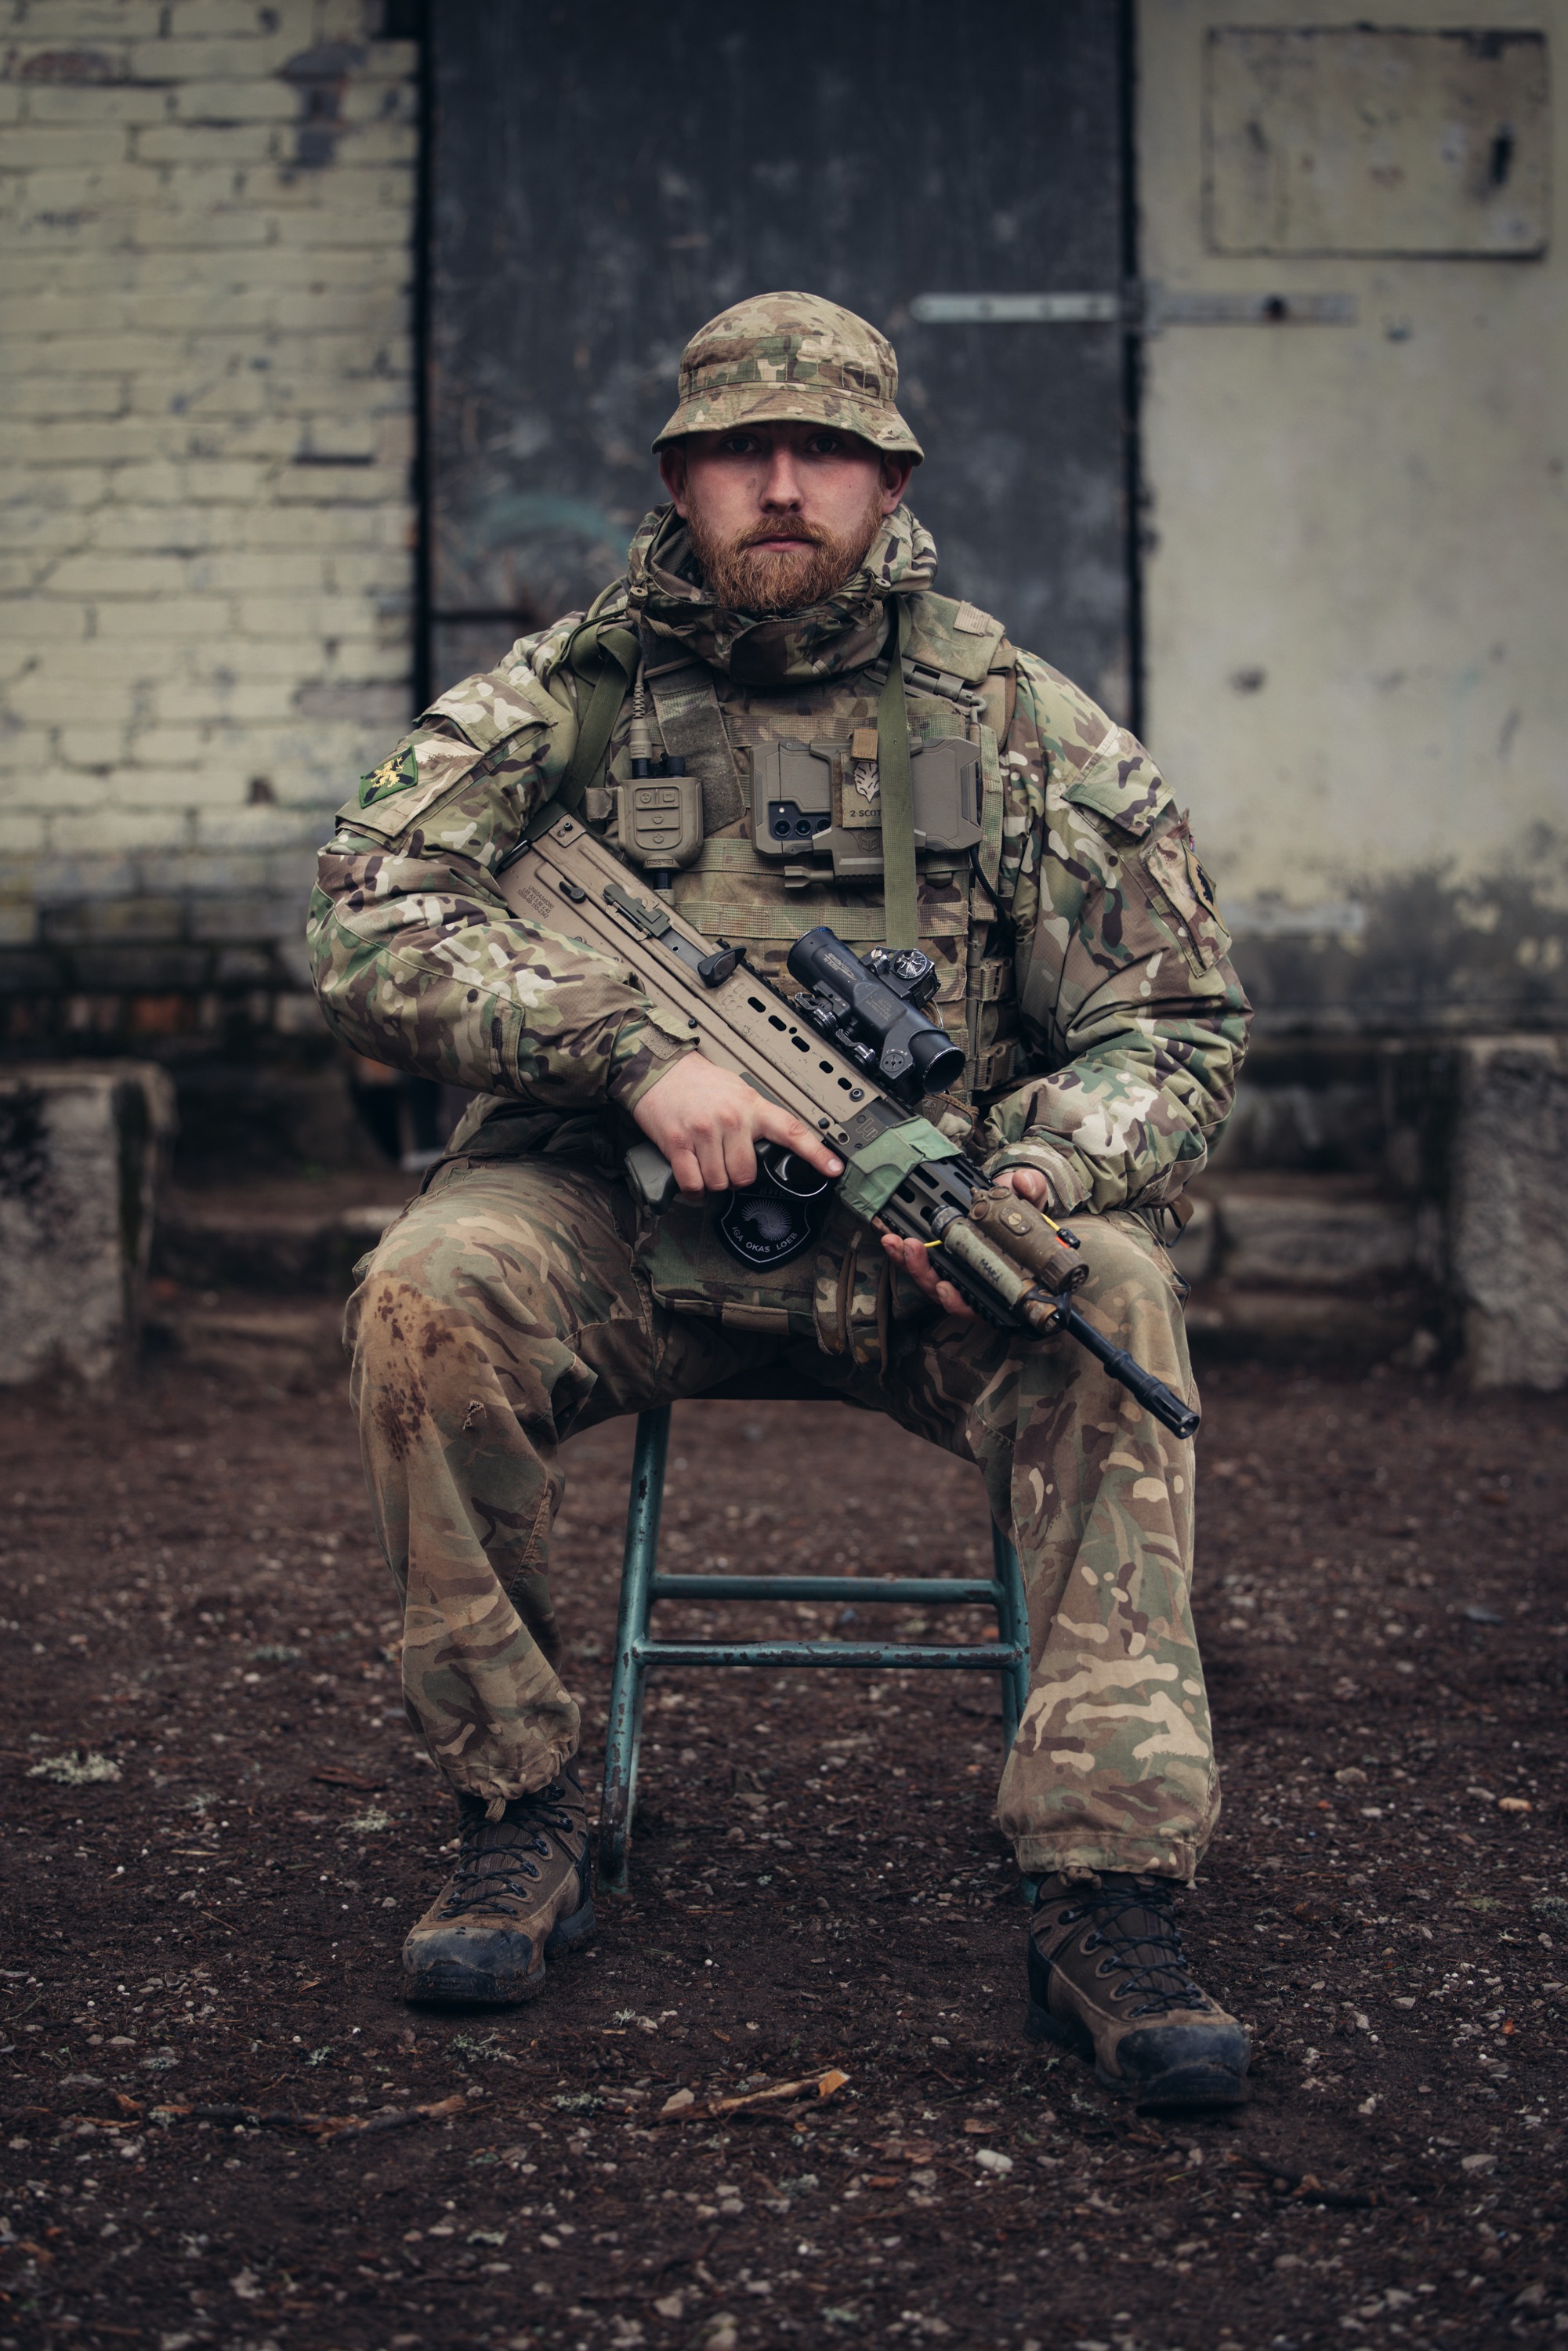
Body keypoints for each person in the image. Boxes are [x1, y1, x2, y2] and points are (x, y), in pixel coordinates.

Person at [308, 293, 1253, 2112]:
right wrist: (621, 1052)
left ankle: (1105, 1883)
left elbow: (1172, 1024)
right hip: (607, 1220)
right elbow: (364, 916)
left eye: (823, 450)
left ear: (889, 482)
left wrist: (1040, 1169)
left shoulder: (1019, 722)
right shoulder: (563, 700)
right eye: (741, 448)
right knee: (426, 1289)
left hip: (921, 1246)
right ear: (679, 476)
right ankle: (522, 1806)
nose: (782, 482)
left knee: (1112, 1305)